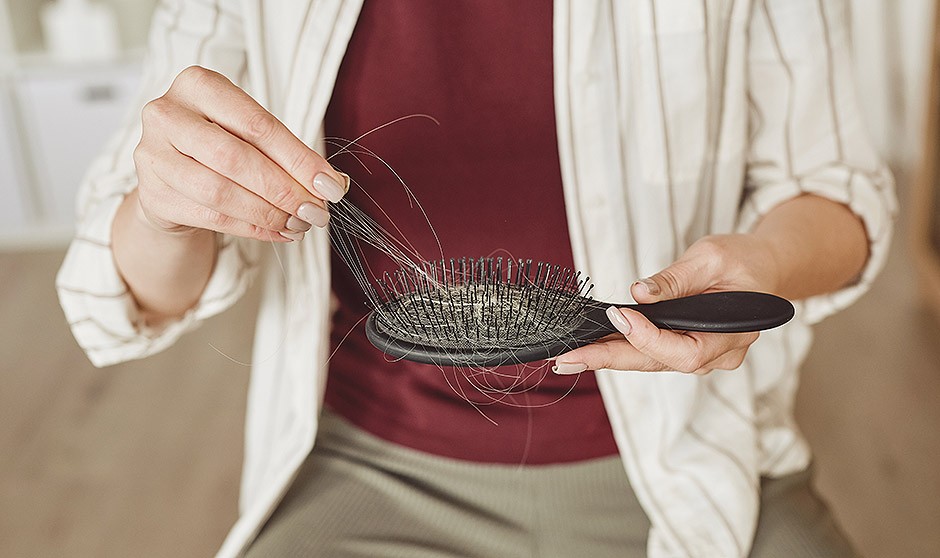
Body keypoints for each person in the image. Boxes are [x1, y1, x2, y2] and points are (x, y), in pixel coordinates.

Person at [56, 1, 896, 557]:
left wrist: (767, 262)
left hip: (697, 457)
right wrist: (166, 209)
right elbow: (121, 296)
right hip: (372, 473)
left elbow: (838, 193)